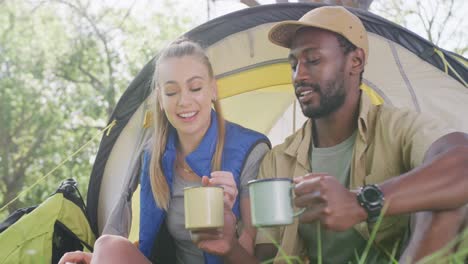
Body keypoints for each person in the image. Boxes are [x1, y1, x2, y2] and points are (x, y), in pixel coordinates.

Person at [196, 6, 468, 264]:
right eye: (293, 64)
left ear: (356, 61)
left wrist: (361, 202)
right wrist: (230, 246)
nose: (298, 75)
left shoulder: (396, 127)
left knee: (445, 197)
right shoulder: (278, 161)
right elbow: (271, 258)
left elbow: (462, 162)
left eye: (313, 60)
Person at [59, 39, 270, 264]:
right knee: (107, 245)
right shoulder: (153, 154)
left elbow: (258, 257)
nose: (184, 101)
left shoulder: (250, 151)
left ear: (213, 89)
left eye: (195, 88)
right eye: (171, 92)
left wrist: (230, 228)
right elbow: (151, 247)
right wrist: (98, 259)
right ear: (160, 98)